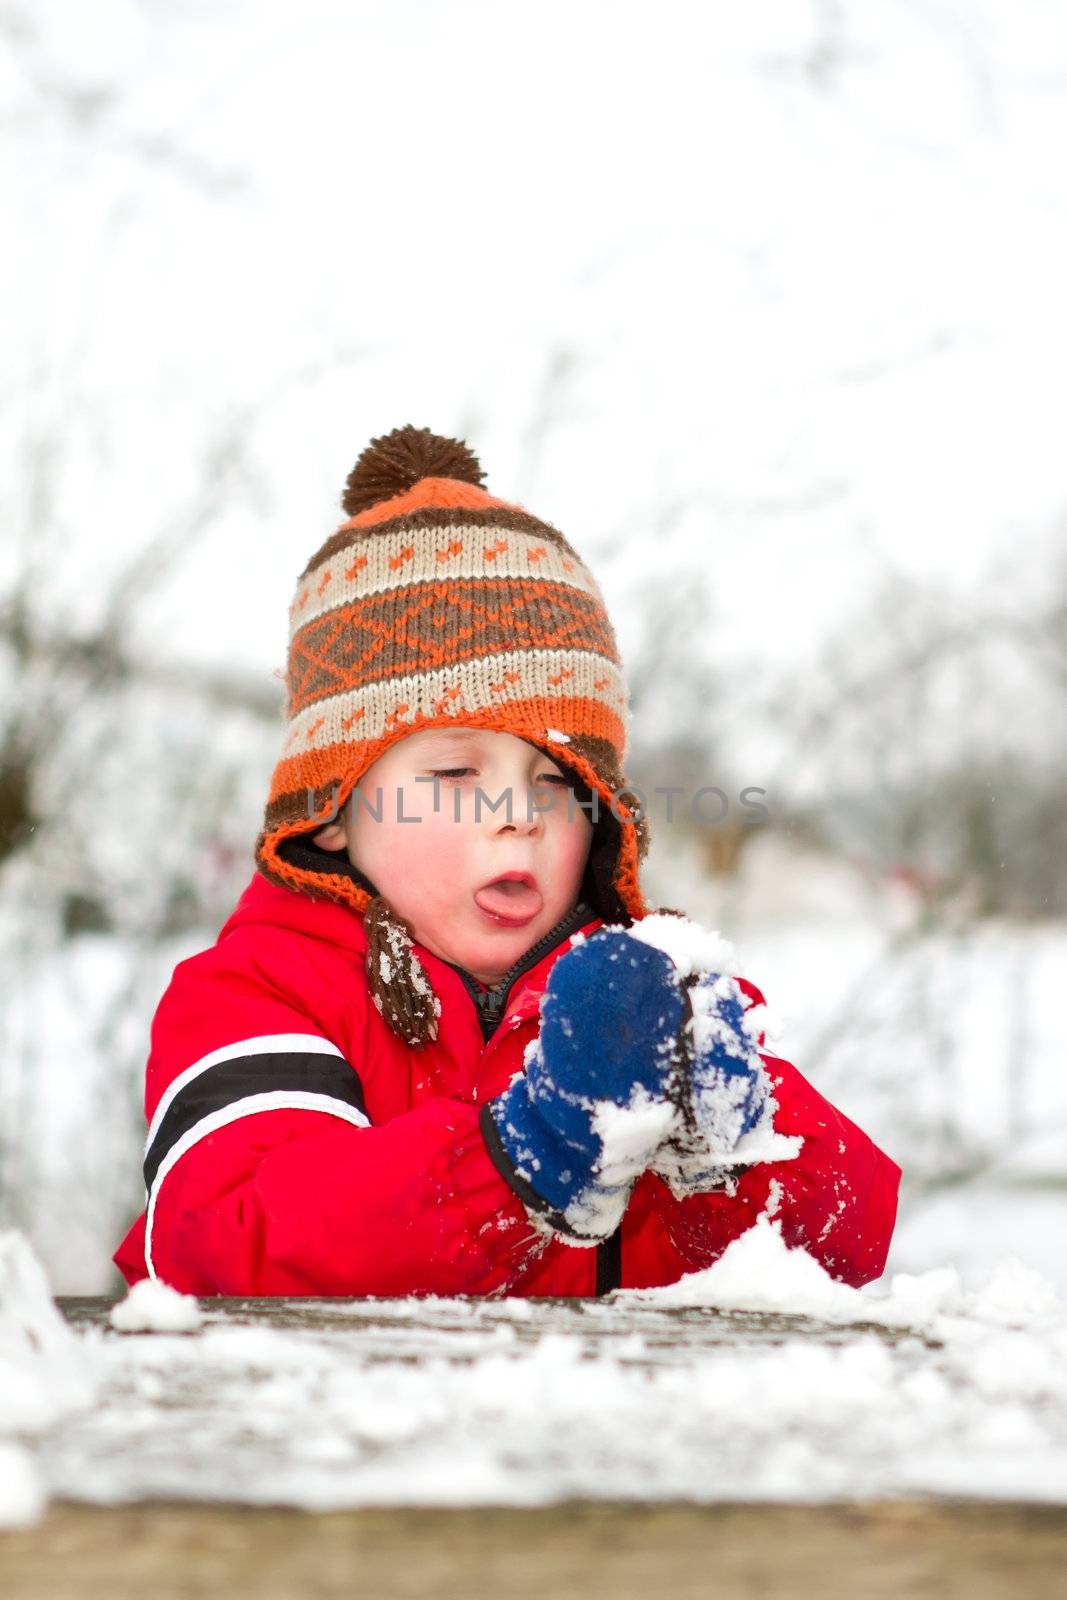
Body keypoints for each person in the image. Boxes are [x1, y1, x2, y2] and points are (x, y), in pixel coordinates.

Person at [113, 425, 900, 1297]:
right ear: (331, 806)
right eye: (453, 772)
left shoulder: (642, 994)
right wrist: (518, 1155)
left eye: (558, 783)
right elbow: (223, 1240)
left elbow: (843, 1253)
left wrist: (737, 1147)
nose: (517, 815)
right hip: (344, 1428)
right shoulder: (261, 991)